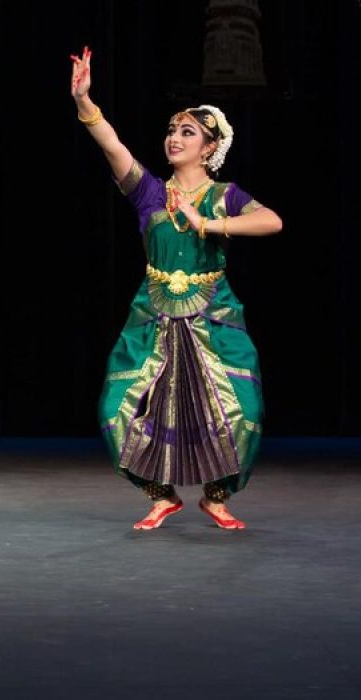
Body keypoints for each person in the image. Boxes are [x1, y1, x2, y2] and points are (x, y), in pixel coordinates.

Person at [70, 47, 282, 530]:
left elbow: (273, 222)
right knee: (115, 408)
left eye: (188, 132)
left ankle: (217, 495)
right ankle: (161, 495)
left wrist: (210, 223)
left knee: (242, 408)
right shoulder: (149, 192)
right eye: (171, 130)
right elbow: (112, 145)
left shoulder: (227, 196)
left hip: (214, 314)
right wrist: (85, 101)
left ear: (210, 146)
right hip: (154, 314)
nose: (174, 138)